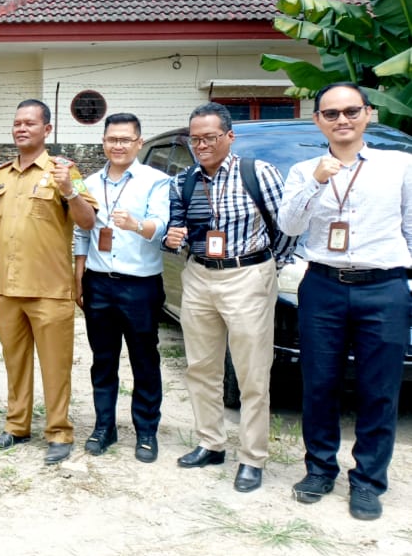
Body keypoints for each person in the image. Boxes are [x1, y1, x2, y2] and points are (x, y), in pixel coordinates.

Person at [277, 83, 412, 520]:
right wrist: (316, 181)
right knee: (319, 383)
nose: (342, 120)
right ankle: (319, 469)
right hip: (324, 286)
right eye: (331, 113)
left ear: (367, 114)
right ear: (318, 120)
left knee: (379, 388)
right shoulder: (303, 170)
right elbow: (290, 226)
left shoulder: (400, 167)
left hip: (384, 287)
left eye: (351, 111)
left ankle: (369, 481)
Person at [164, 102, 295, 493]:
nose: (201, 145)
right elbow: (180, 225)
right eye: (195, 138)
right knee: (201, 367)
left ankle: (252, 458)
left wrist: (270, 265)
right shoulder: (183, 181)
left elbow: (286, 226)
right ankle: (211, 442)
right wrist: (177, 237)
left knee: (252, 372)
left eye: (210, 137)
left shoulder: (259, 173)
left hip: (248, 275)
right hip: (200, 275)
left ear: (229, 136)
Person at [0, 99, 97, 464]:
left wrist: (69, 190)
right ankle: (17, 425)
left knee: (55, 365)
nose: (21, 128)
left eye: (30, 123)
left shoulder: (65, 171)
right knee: (15, 363)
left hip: (50, 290)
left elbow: (88, 221)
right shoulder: (1, 176)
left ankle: (59, 431)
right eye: (17, 123)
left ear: (47, 130)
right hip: (7, 290)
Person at [72, 113, 170, 463]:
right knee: (103, 359)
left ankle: (146, 431)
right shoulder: (89, 182)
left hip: (140, 285)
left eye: (126, 139)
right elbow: (82, 231)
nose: (118, 145)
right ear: (103, 142)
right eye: (112, 139)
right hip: (98, 283)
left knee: (145, 359)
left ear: (139, 143)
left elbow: (160, 227)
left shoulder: (156, 181)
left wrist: (136, 224)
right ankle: (104, 426)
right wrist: (79, 277)